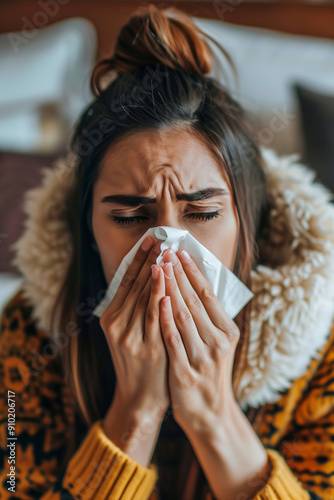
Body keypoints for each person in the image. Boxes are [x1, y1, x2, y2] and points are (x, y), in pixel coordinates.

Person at [1, 4, 334, 499]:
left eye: (201, 214)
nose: (165, 253)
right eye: (130, 217)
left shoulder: (321, 354)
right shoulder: (26, 337)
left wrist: (213, 416)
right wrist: (135, 415)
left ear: (250, 222)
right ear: (87, 227)